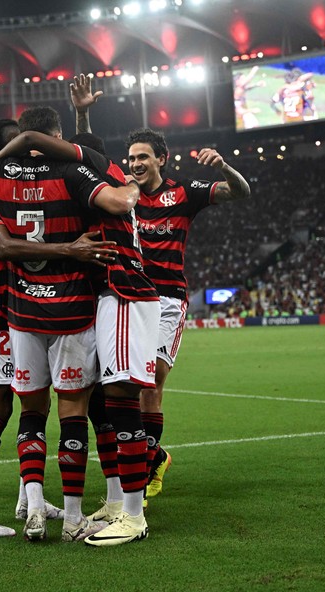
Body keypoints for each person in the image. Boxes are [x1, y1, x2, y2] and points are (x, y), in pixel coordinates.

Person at [0, 106, 140, 542]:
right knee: (22, 409)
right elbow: (1, 246)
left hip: (17, 311)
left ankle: (31, 504)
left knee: (29, 410)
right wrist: (75, 247)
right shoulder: (68, 177)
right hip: (24, 314)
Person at [0, 125, 161, 546]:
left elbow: (116, 193)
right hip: (110, 296)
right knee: (110, 400)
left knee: (121, 397)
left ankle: (133, 516)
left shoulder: (104, 184)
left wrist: (130, 188)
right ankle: (120, 505)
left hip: (122, 293)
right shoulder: (101, 185)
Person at [125, 127, 251, 502]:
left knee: (153, 379)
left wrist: (224, 166)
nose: (135, 164)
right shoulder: (124, 195)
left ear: (161, 159)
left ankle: (147, 469)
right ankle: (156, 455)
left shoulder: (184, 192)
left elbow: (241, 192)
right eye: (131, 158)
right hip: (130, 298)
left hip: (167, 299)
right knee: (126, 387)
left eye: (143, 157)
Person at [233, 65, 266, 130]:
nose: (245, 81)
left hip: (243, 113)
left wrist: (256, 85)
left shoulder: (240, 90)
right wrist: (254, 70)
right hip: (240, 117)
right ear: (237, 82)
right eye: (242, 79)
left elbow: (246, 88)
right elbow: (239, 111)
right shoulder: (237, 92)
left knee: (255, 124)